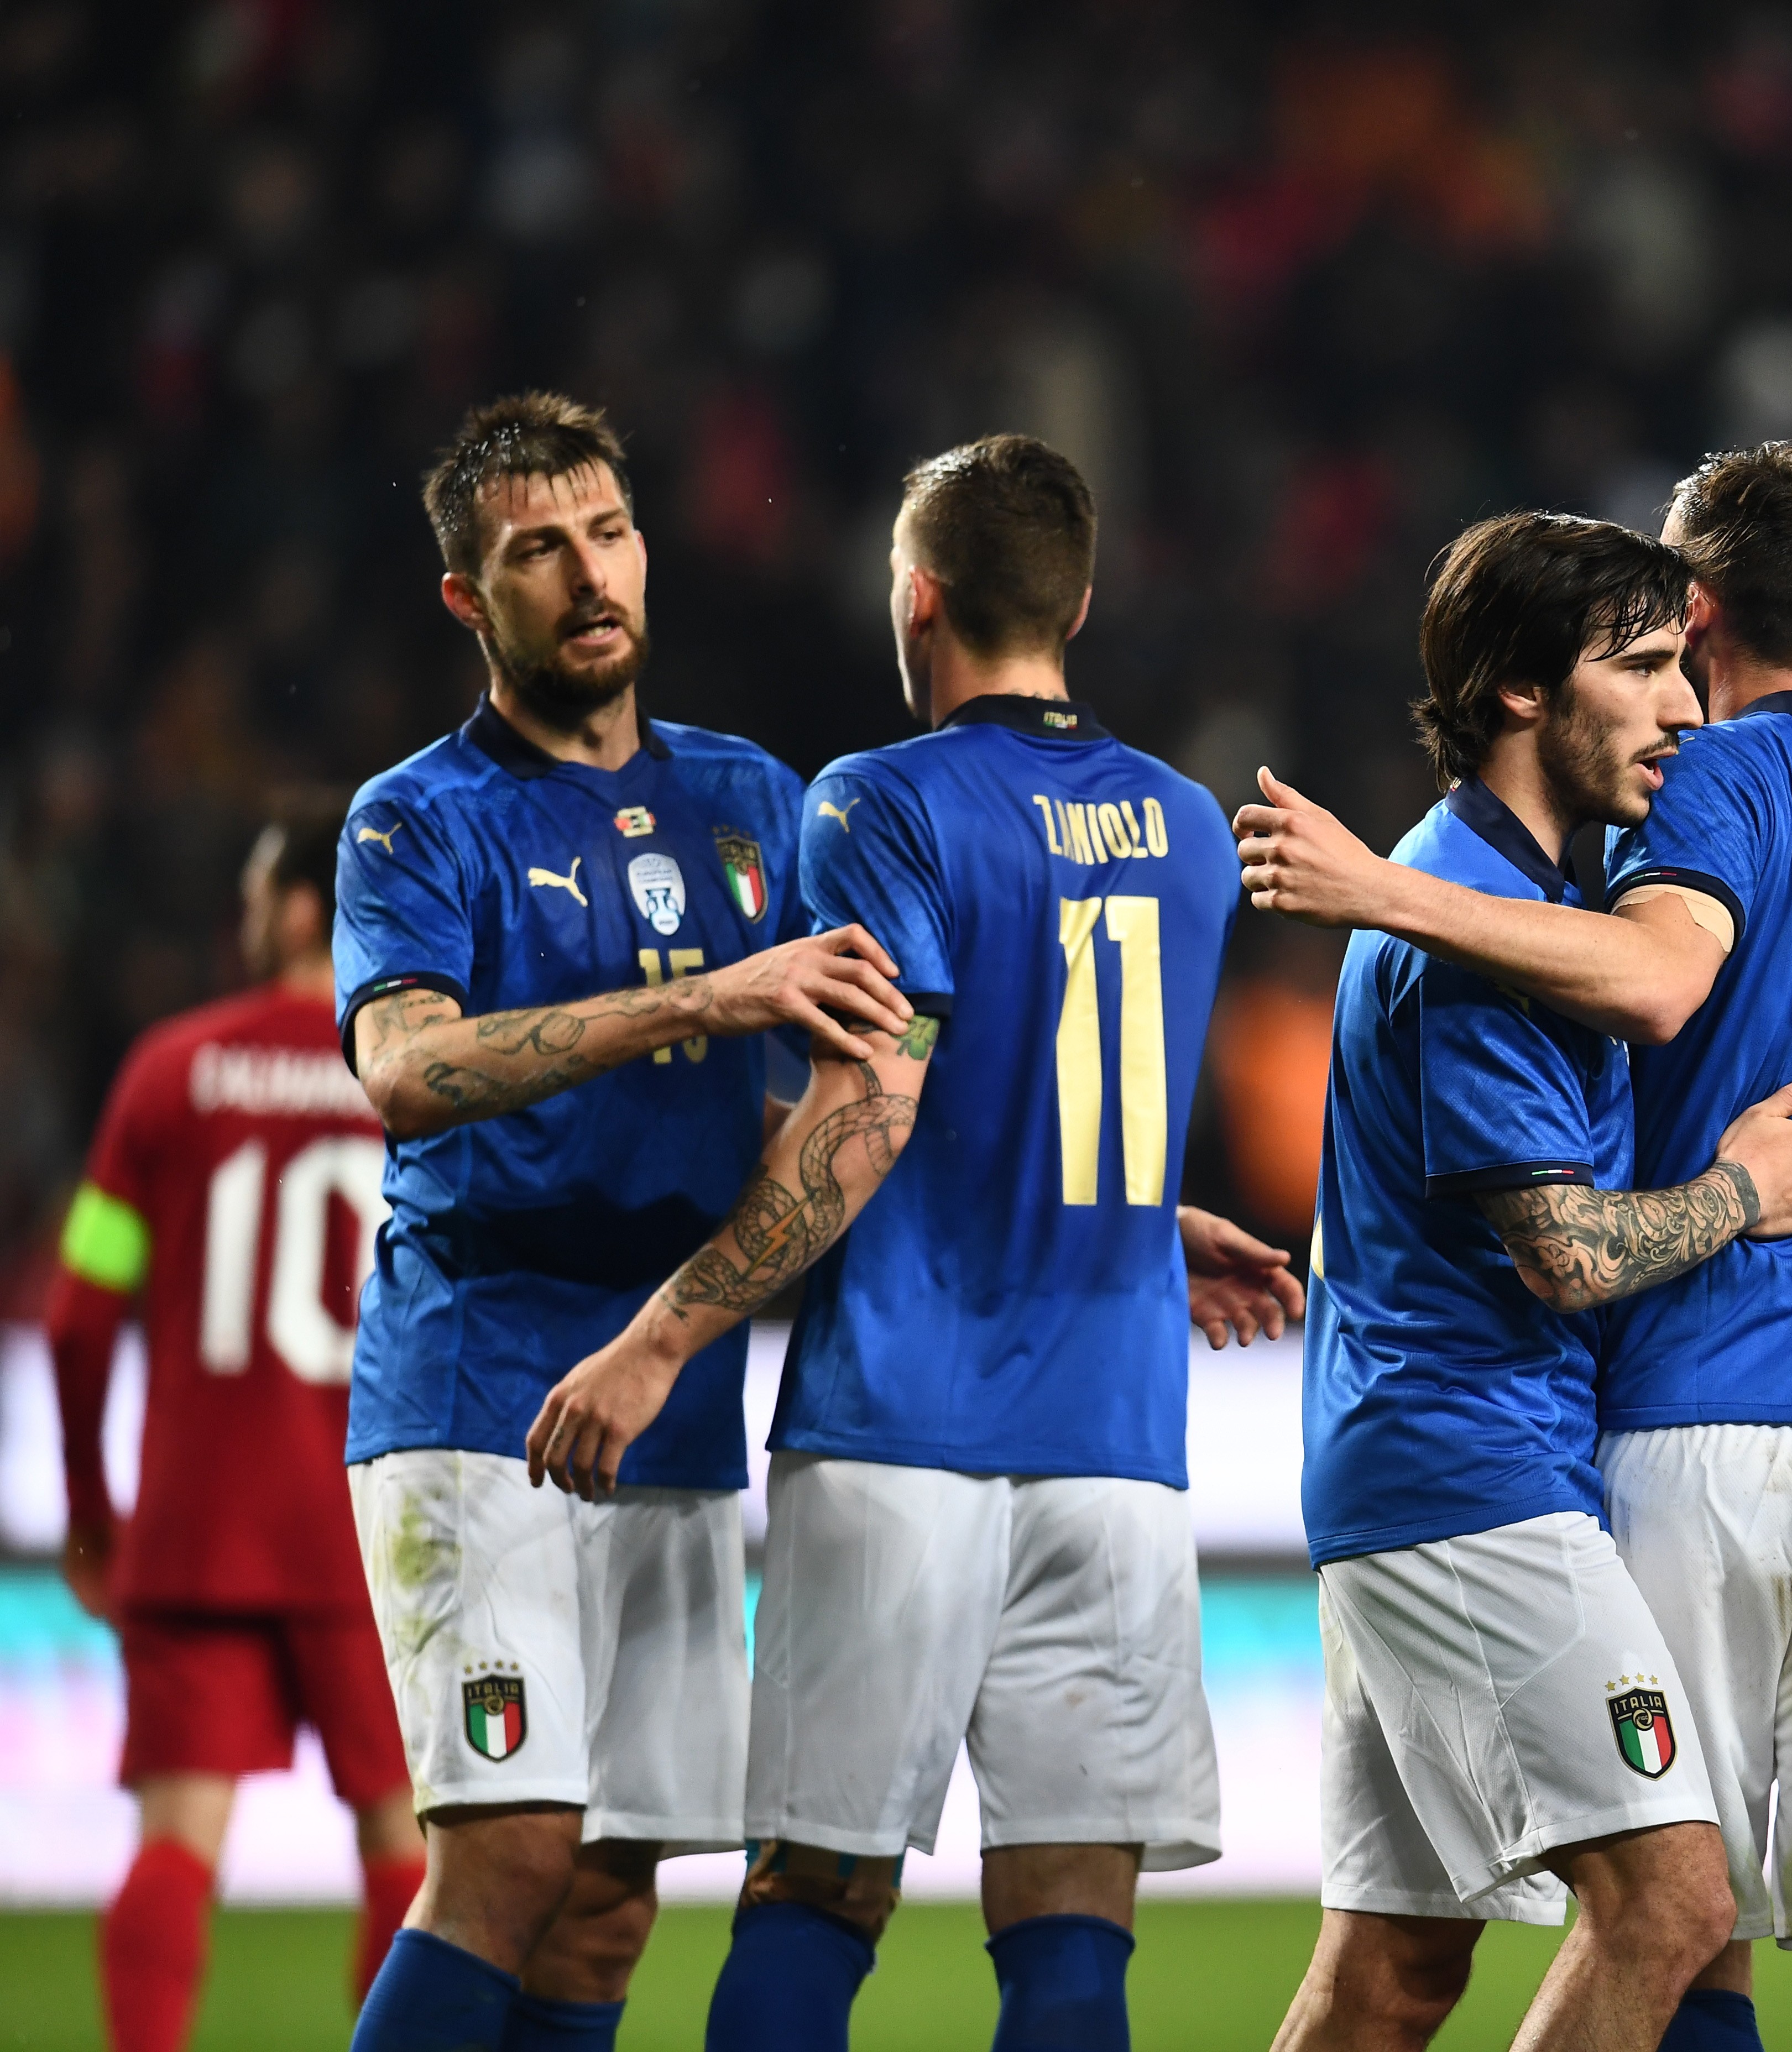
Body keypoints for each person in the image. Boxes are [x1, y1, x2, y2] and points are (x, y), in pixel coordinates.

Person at [1241, 444, 1792, 2052]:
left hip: (1477, 1461)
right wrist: (1743, 1196)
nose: (1683, 710)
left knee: (1395, 1972)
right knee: (1678, 1908)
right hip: (1484, 1480)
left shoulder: (1509, 900)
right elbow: (1567, 1250)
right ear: (1516, 692)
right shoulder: (1489, 931)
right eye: (1641, 669)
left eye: (1678, 661)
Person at [524, 433, 1301, 2052]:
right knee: (1075, 1929)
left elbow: (869, 1120)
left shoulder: (875, 801)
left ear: (917, 594)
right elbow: (1049, 1087)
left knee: (816, 1897)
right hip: (1115, 1442)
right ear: (1078, 602)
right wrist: (1140, 1218)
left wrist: (662, 1337)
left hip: (902, 1428)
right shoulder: (1178, 822)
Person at [337, 392, 914, 2052]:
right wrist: (700, 1003)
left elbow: (882, 1088)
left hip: (669, 1391)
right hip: (482, 1379)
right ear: (471, 599)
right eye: (537, 551)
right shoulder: (417, 817)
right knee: (508, 1857)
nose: (587, 575)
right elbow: (406, 1070)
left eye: (606, 532)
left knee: (605, 1905)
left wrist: (1136, 1217)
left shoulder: (752, 801)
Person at [49, 794, 424, 2051]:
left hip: (198, 1525)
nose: (243, 919)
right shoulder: (420, 1074)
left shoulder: (168, 1072)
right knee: (406, 1848)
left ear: (303, 907)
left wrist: (96, 1513)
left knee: (177, 1840)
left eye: (260, 893)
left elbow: (78, 1314)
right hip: (369, 1530)